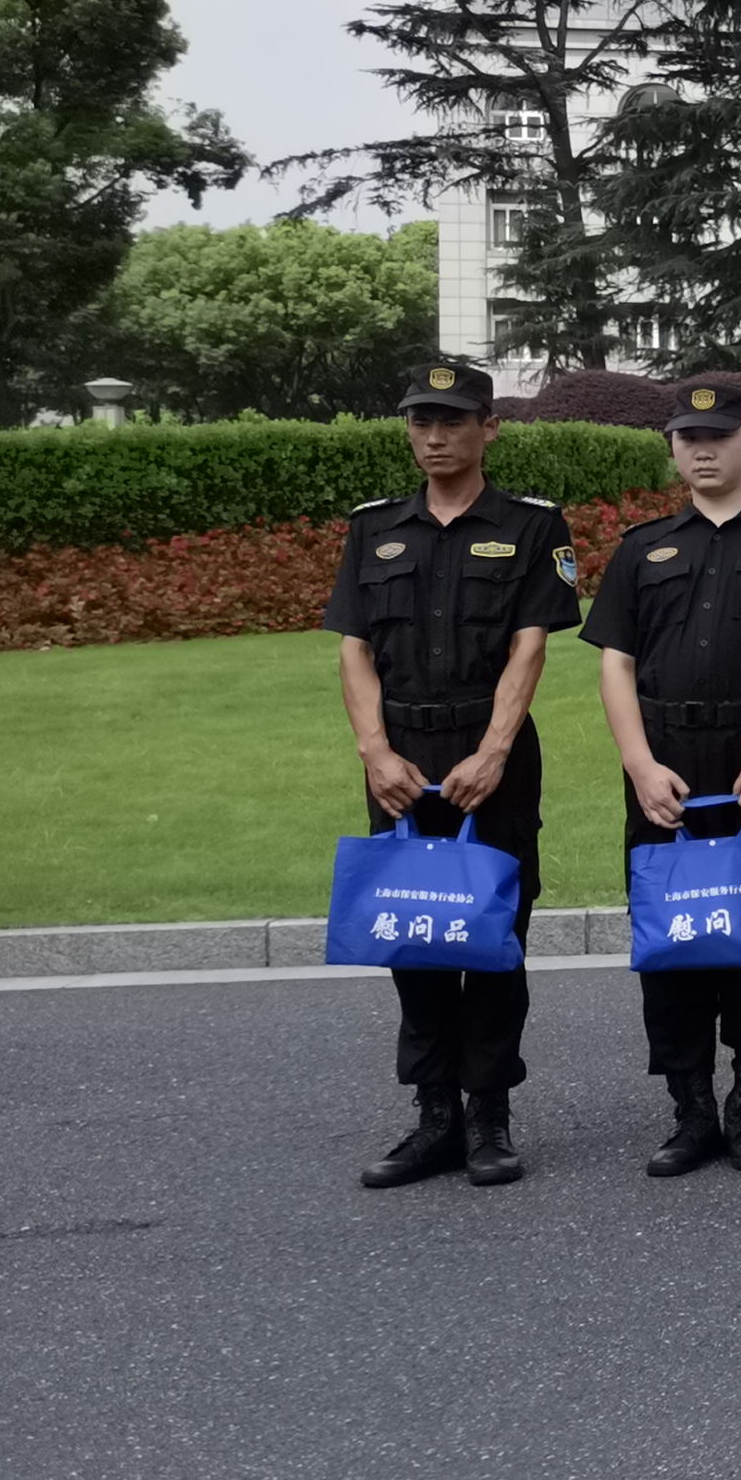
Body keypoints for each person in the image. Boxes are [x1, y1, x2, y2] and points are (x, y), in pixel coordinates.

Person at [323, 359, 580, 1190]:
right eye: (421, 421)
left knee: (496, 933)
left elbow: (529, 647)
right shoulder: (374, 528)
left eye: (453, 421)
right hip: (399, 755)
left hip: (489, 751)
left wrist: (495, 750)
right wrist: (374, 750)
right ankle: (434, 1115)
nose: (435, 436)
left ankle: (490, 1117)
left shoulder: (532, 524)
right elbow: (355, 649)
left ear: (488, 429)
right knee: (415, 931)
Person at [584, 381, 741, 1177]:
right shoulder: (644, 547)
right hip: (665, 759)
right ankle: (691, 1110)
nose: (702, 451)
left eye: (719, 436)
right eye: (687, 438)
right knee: (675, 937)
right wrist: (638, 764)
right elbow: (616, 662)